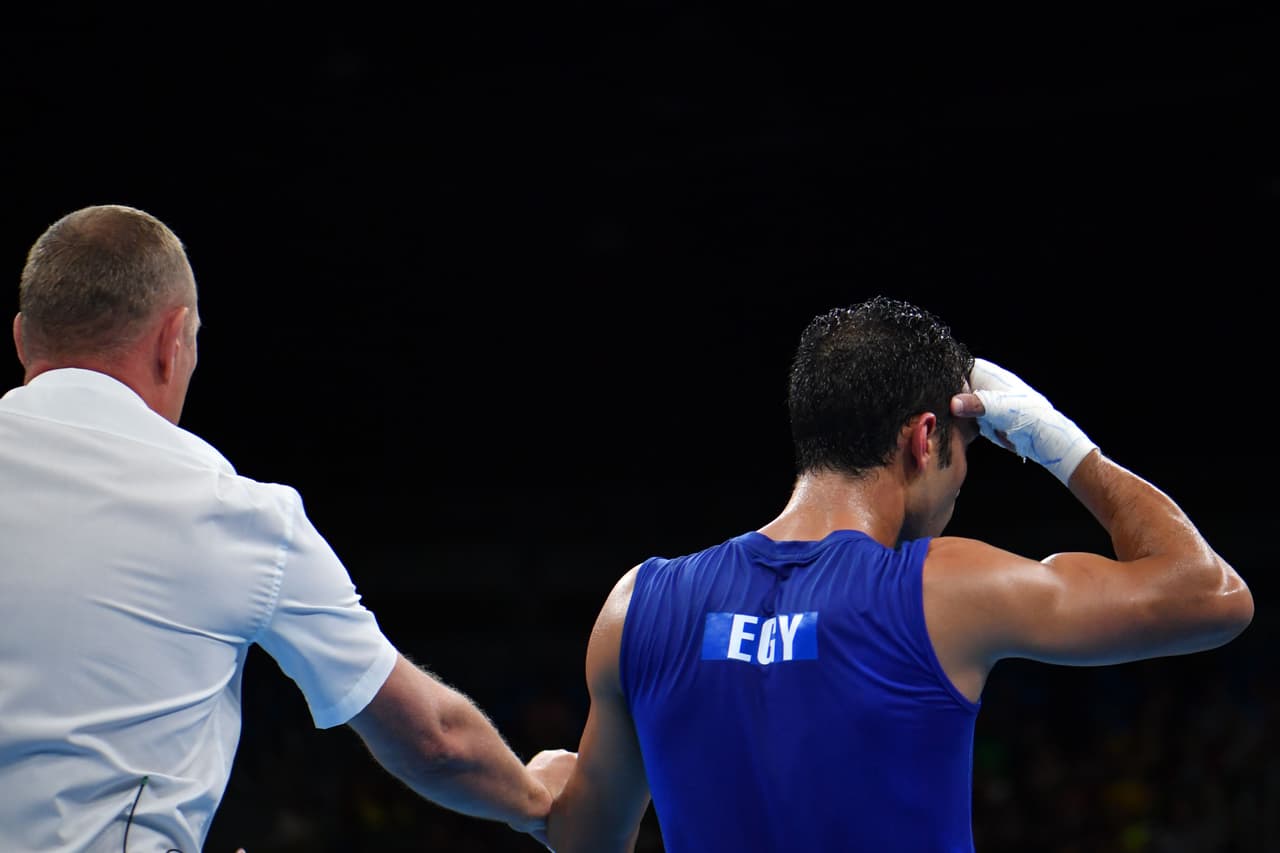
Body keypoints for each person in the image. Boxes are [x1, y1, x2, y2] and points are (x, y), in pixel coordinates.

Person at [545, 295, 1254, 852]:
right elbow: (1212, 595)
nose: (963, 478)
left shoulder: (637, 606)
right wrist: (1062, 446)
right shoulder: (941, 589)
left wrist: (550, 790)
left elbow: (584, 838)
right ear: (924, 437)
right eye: (967, 447)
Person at [0, 203, 575, 852]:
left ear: (22, 339)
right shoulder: (229, 510)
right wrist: (538, 797)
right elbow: (434, 741)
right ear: (174, 339)